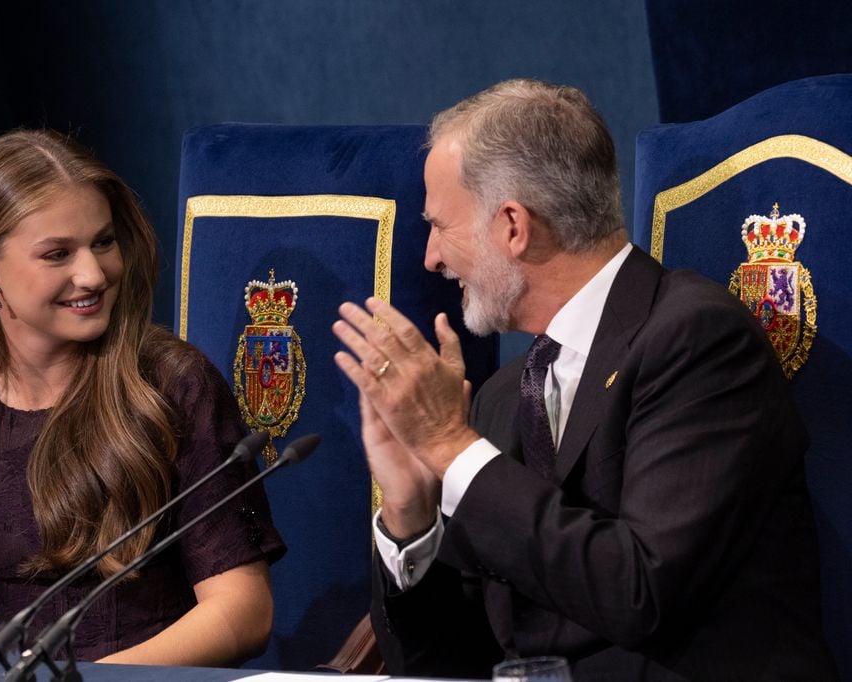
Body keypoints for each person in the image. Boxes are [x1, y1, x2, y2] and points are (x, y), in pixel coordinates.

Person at [332, 79, 837, 681]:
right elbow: (451, 662)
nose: (430, 259)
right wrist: (411, 512)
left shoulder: (697, 340)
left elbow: (640, 593)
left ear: (513, 226)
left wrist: (451, 446)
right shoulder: (500, 397)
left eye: (440, 226)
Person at [0, 129, 284, 665]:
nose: (92, 274)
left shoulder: (172, 384)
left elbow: (242, 608)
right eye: (57, 254)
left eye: (104, 242)